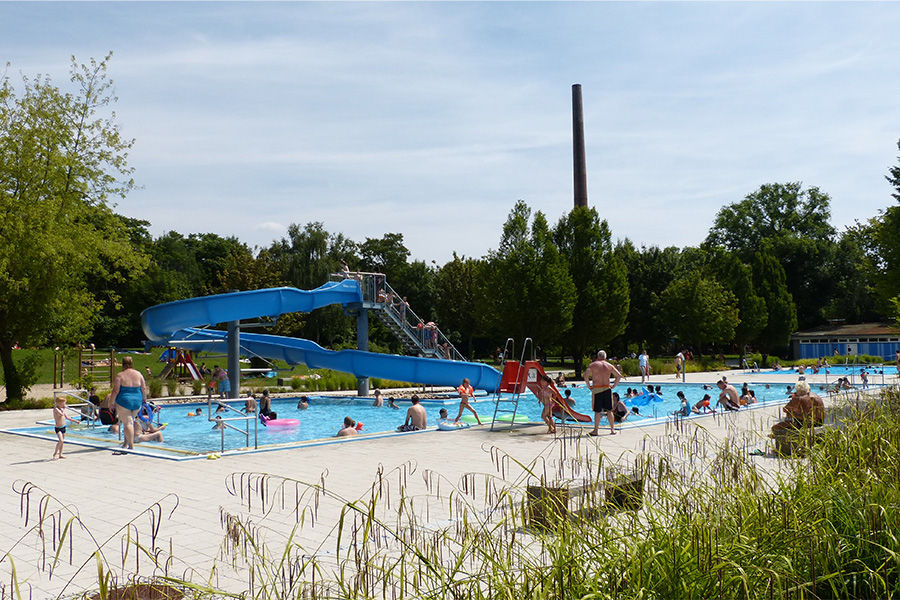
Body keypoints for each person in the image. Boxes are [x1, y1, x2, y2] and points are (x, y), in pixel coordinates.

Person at [106, 355, 149, 451]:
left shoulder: (120, 375)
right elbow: (143, 388)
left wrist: (111, 403)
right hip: (137, 401)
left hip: (124, 401)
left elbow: (115, 391)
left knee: (128, 423)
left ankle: (131, 446)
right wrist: (144, 399)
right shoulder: (139, 374)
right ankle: (125, 443)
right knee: (129, 421)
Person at [584, 350, 622, 436]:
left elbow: (586, 375)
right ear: (605, 357)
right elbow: (618, 376)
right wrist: (614, 386)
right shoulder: (609, 365)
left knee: (597, 411)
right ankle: (612, 429)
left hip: (597, 389)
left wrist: (588, 385)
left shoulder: (593, 365)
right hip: (607, 388)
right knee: (609, 410)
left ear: (598, 357)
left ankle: (596, 430)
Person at [52, 395, 78, 460]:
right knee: (61, 440)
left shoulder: (61, 409)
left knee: (62, 441)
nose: (63, 405)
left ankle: (60, 454)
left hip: (63, 426)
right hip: (58, 427)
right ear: (59, 403)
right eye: (62, 403)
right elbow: (61, 414)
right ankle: (55, 454)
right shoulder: (56, 409)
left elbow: (67, 417)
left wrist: (75, 421)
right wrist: (64, 409)